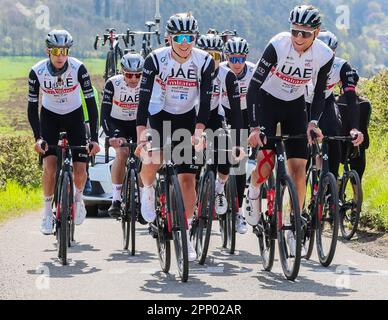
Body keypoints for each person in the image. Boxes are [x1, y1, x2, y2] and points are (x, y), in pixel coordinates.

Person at [245, 5, 335, 254]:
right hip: (267, 102)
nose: (298, 37)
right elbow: (254, 86)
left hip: (295, 105)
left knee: (298, 168)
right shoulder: (278, 45)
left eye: (305, 34)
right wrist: (254, 127)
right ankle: (252, 193)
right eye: (295, 31)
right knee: (266, 160)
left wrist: (313, 123)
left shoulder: (324, 55)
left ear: (316, 33)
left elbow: (319, 92)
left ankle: (293, 224)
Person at [136, 13, 215, 261]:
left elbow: (206, 99)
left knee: (188, 180)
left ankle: (186, 232)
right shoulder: (155, 60)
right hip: (160, 112)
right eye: (179, 37)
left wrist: (199, 131)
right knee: (152, 158)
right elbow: (144, 99)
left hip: (188, 117)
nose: (184, 43)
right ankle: (148, 191)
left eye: (189, 37)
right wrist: (141, 135)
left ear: (195, 38)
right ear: (169, 38)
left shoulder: (204, 61)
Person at [28, 30, 100, 235]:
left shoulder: (79, 69)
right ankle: (47, 212)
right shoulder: (37, 72)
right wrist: (38, 138)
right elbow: (32, 107)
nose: (60, 55)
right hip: (49, 117)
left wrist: (93, 139)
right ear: (48, 51)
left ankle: (78, 200)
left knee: (80, 169)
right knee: (49, 167)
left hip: (74, 116)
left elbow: (90, 104)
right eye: (56, 51)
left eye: (64, 51)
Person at [197, 33, 247, 234]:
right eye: (207, 56)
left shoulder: (227, 75)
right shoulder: (189, 71)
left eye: (216, 57)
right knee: (189, 162)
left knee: (226, 152)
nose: (212, 61)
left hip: (213, 118)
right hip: (189, 118)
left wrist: (237, 142)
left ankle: (219, 188)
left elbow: (235, 111)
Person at [305, 30, 364, 178]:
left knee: (333, 136)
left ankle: (331, 187)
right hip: (302, 102)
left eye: (330, 52)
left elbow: (351, 98)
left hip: (326, 102)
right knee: (301, 144)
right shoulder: (303, 60)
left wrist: (355, 127)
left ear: (334, 51)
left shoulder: (341, 66)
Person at [101, 52, 148, 222]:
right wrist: (110, 136)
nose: (134, 79)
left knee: (145, 155)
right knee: (122, 154)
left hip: (138, 123)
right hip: (117, 123)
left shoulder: (146, 84)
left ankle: (144, 201)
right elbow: (104, 114)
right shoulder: (113, 84)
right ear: (122, 72)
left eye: (138, 75)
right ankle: (116, 198)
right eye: (129, 74)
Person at [221, 36, 255, 228]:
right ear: (227, 57)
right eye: (233, 59)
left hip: (244, 112)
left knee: (240, 161)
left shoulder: (251, 71)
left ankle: (237, 211)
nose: (237, 63)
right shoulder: (221, 72)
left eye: (241, 58)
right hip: (223, 110)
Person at [336, 71, 371, 182]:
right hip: (358, 145)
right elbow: (366, 123)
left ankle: (334, 183)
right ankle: (357, 193)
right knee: (357, 175)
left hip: (339, 144)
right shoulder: (365, 103)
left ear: (340, 83)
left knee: (323, 158)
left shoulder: (335, 102)